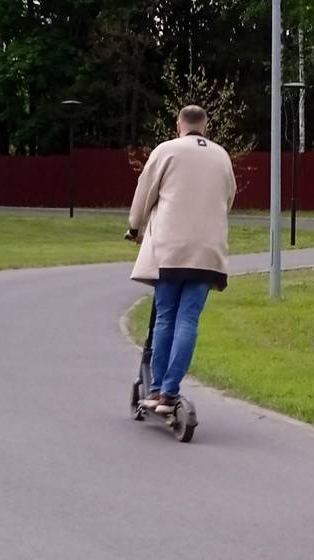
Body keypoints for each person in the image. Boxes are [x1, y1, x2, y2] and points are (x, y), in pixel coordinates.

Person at [128, 105, 236, 415]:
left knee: (165, 317)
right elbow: (229, 198)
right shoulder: (222, 156)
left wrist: (135, 226)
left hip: (170, 251)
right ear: (206, 126)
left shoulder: (166, 151)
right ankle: (171, 392)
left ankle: (157, 387)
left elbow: (144, 192)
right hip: (208, 253)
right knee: (188, 319)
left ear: (179, 124)